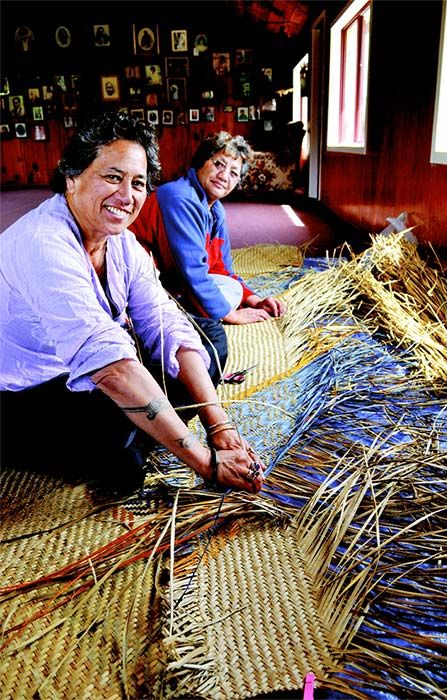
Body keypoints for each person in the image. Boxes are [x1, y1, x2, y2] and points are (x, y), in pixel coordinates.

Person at [0, 112, 265, 498]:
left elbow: (165, 321)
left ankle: (138, 437)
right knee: (119, 422)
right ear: (72, 177)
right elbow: (111, 369)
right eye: (112, 177)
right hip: (23, 393)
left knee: (206, 348)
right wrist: (205, 462)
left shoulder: (121, 242)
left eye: (138, 183)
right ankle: (123, 443)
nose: (126, 196)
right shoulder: (44, 243)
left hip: (92, 371)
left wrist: (220, 426)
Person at [129, 132, 286, 380]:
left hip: (173, 282)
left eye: (234, 173)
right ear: (201, 162)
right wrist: (232, 315)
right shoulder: (179, 197)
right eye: (218, 164)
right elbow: (192, 274)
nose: (224, 176)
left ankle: (196, 307)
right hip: (141, 281)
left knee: (232, 288)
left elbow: (223, 270)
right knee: (216, 308)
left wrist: (254, 299)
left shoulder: (216, 210)